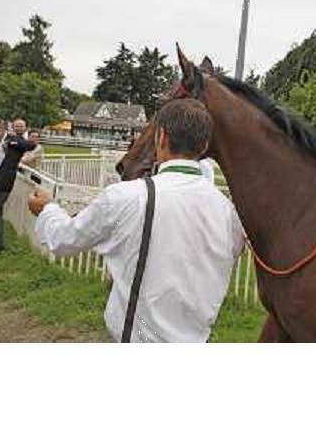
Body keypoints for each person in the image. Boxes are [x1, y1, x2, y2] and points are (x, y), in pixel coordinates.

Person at [28, 99, 246, 342]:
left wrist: (47, 209)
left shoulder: (125, 197)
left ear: (160, 137)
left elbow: (64, 239)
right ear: (204, 145)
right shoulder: (230, 213)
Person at [0, 118, 36, 254]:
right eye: (16, 125)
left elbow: (31, 145)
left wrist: (11, 142)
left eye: (21, 126)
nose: (18, 128)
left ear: (25, 128)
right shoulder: (2, 140)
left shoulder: (17, 141)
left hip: (3, 181)